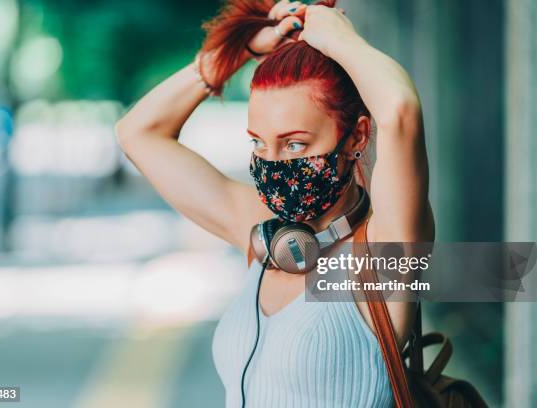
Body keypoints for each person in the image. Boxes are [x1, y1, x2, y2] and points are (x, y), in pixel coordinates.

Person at [115, 0, 435, 406]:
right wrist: (240, 52)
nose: (273, 163)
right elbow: (137, 132)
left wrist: (341, 39)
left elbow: (401, 109)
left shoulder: (383, 252)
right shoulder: (265, 235)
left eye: (295, 143)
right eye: (259, 143)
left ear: (357, 137)